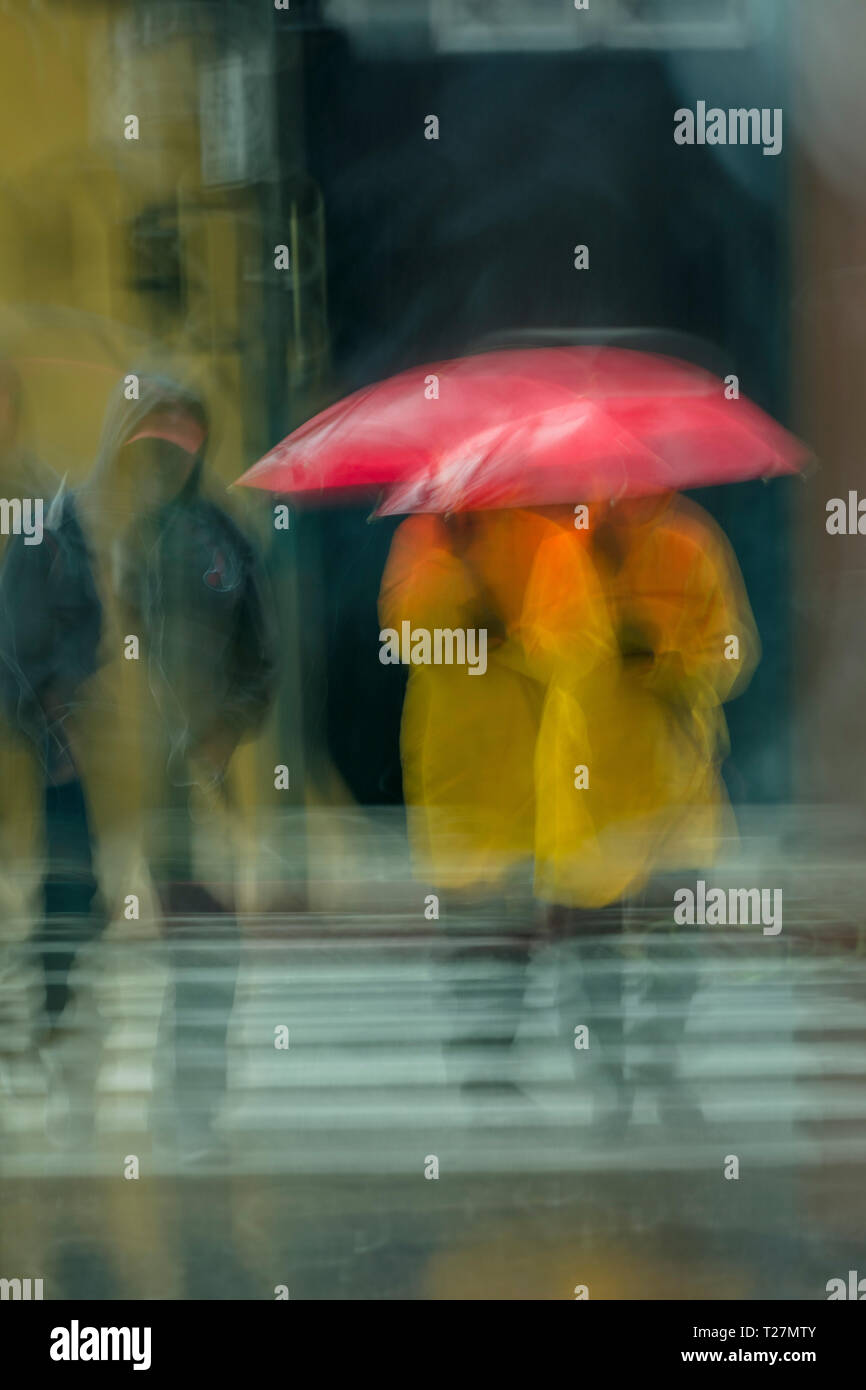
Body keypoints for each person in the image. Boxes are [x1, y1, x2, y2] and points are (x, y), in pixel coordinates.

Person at [0, 372, 278, 1158]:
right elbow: (11, 647)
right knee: (69, 933)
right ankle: (68, 1099)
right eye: (153, 428)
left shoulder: (215, 537)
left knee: (202, 939)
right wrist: (55, 718)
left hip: (180, 780)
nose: (169, 447)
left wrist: (227, 726)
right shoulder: (59, 530)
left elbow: (259, 647)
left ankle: (190, 1109)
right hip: (76, 786)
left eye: (186, 431)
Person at [523, 491, 759, 1129]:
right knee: (591, 949)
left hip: (672, 784)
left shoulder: (692, 547)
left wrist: (666, 660)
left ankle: (658, 1055)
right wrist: (600, 636)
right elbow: (543, 649)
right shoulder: (561, 554)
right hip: (587, 785)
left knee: (677, 944)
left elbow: (733, 653)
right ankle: (609, 1072)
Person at [379, 508, 569, 1096]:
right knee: (463, 916)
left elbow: (566, 645)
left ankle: (500, 1046)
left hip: (522, 755)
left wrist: (509, 632)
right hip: (451, 760)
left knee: (515, 919)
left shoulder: (543, 540)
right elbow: (400, 635)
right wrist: (456, 573)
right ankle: (475, 1048)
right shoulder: (422, 539)